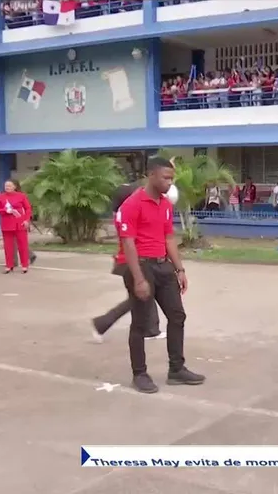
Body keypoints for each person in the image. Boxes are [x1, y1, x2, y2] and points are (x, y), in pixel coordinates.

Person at [115, 157, 205, 394]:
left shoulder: (165, 204)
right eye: (166, 178)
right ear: (151, 175)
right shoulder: (132, 205)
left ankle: (177, 369)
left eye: (171, 178)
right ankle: (140, 373)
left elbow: (168, 238)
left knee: (177, 316)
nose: (169, 183)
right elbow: (128, 244)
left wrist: (180, 269)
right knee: (141, 323)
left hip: (162, 266)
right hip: (140, 266)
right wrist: (139, 279)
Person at [91, 183, 165, 343]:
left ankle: (151, 329)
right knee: (139, 296)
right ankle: (102, 323)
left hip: (131, 260)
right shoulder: (128, 214)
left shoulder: (123, 213)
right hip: (131, 261)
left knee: (146, 294)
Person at [0, 179, 32, 274]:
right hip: (7, 224)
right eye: (6, 186)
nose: (7, 187)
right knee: (8, 246)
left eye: (10, 186)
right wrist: (5, 210)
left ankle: (24, 265)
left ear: (14, 186)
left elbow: (28, 208)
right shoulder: (1, 196)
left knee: (23, 245)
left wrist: (27, 220)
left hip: (20, 223)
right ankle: (9, 266)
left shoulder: (21, 196)